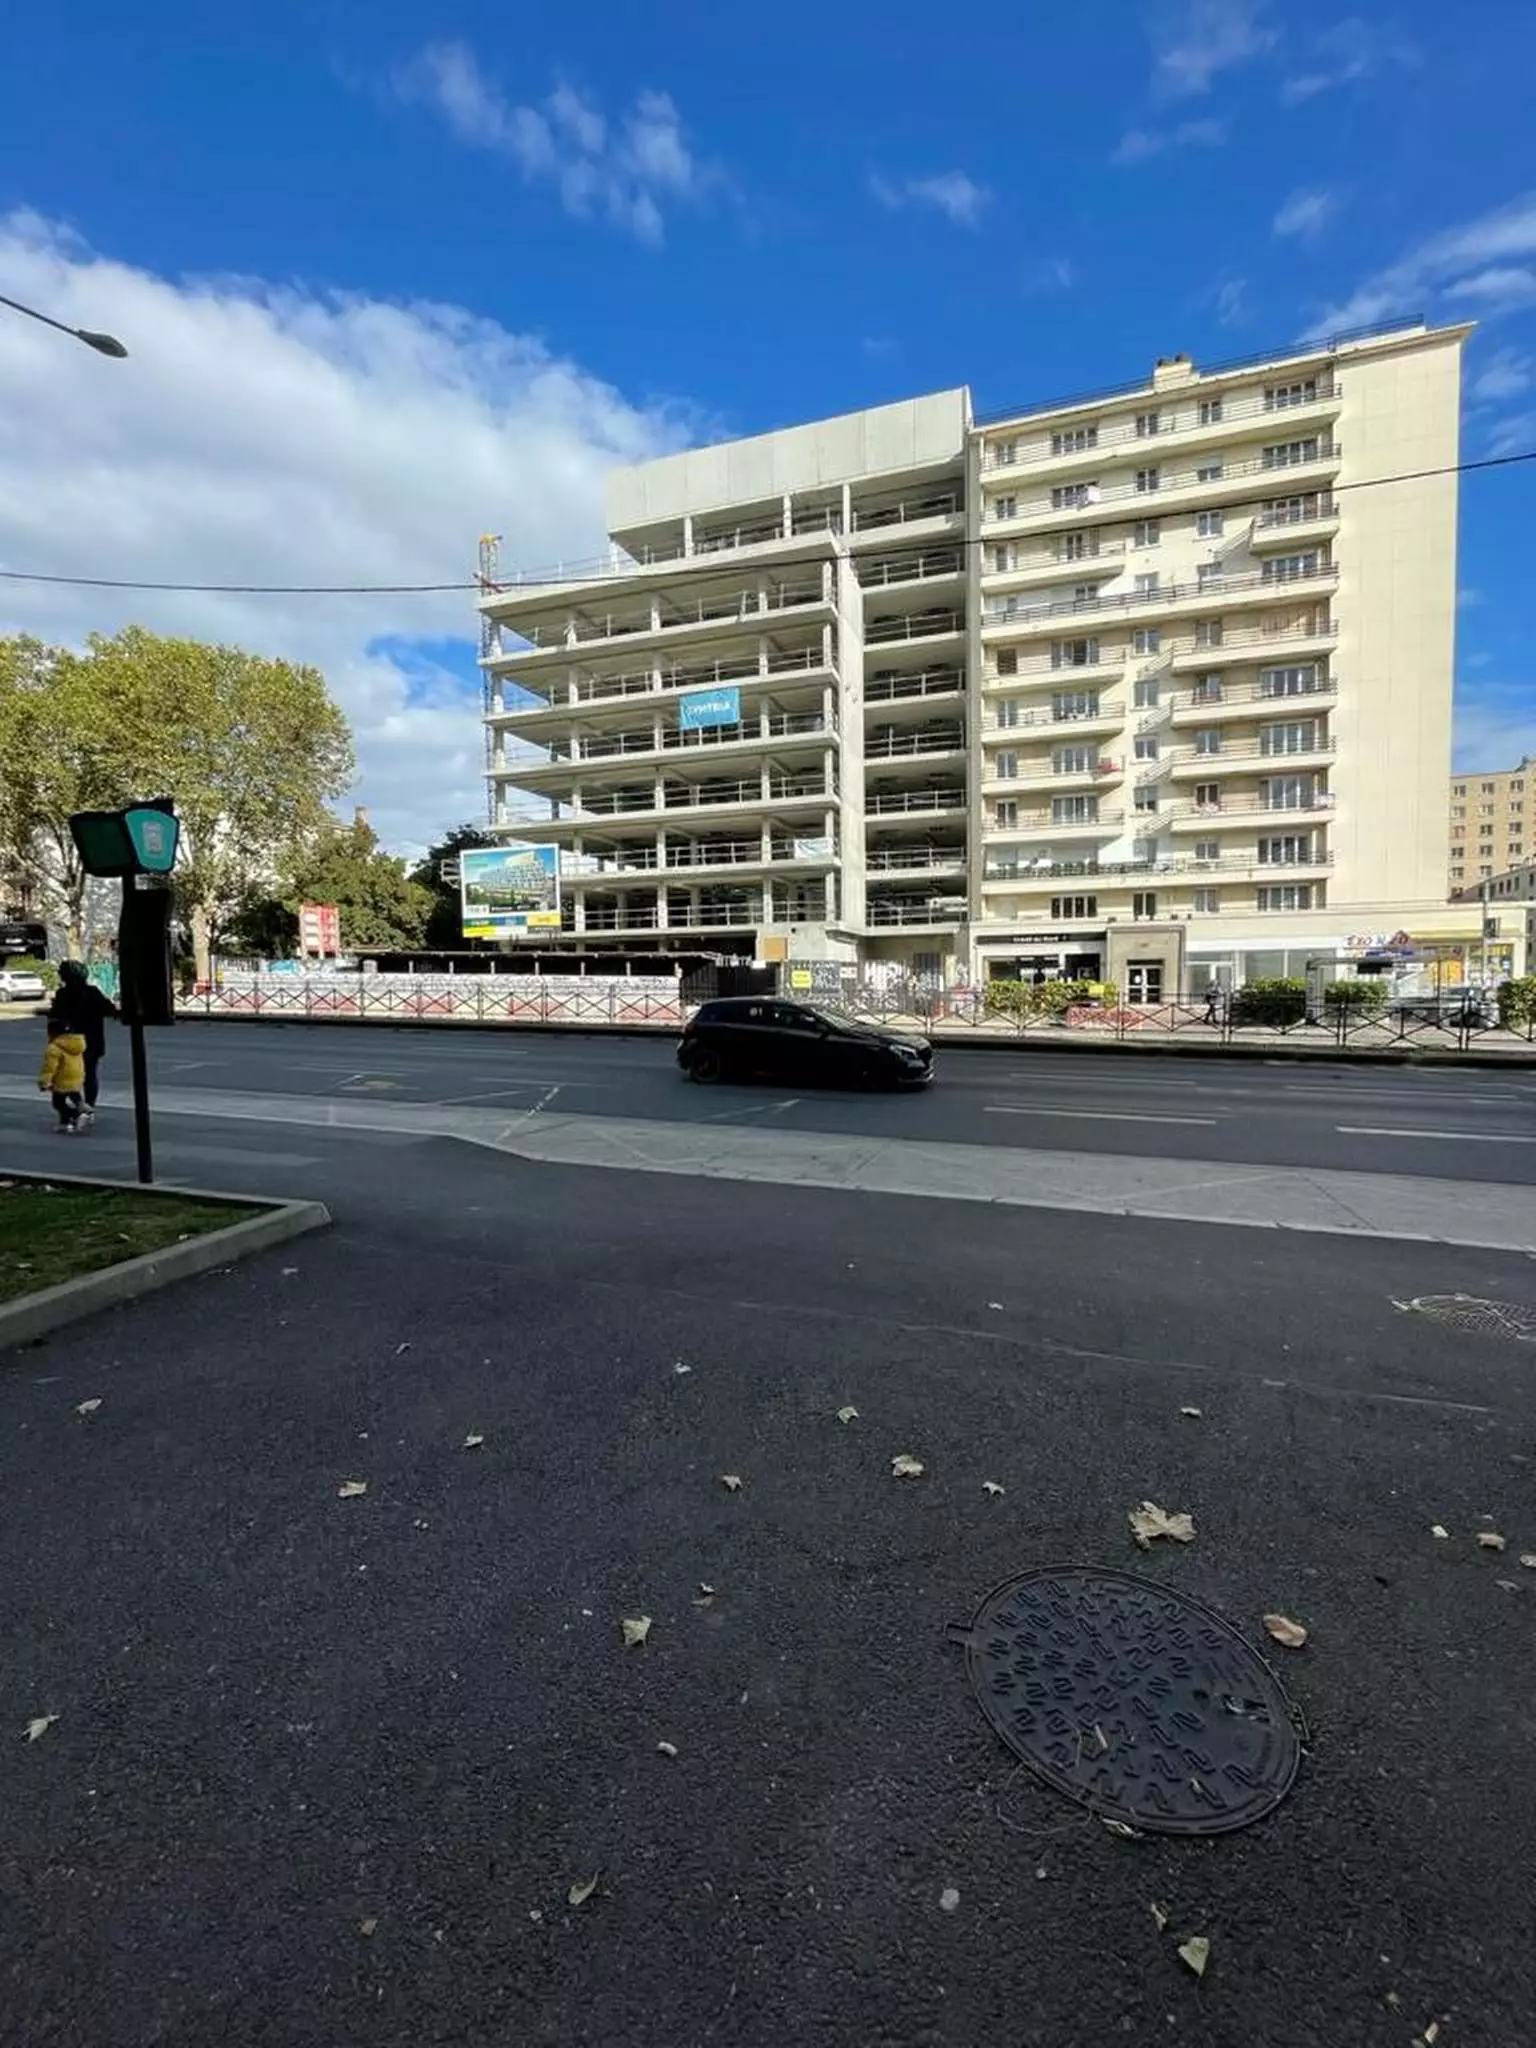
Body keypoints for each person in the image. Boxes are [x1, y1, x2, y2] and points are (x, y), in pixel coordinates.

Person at [50, 961, 118, 1126]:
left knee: (67, 1076)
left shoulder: (62, 994)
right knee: (89, 1076)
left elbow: (55, 1018)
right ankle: (88, 1107)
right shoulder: (92, 992)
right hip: (92, 1042)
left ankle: (76, 1108)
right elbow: (110, 1010)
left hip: (69, 1043)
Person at [37, 1017, 87, 1133]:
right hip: (76, 1077)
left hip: (61, 1079)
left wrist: (44, 1082)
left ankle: (76, 1115)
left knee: (58, 1103)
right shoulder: (76, 1043)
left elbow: (49, 1068)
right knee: (75, 1096)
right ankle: (70, 1119)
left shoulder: (54, 1048)